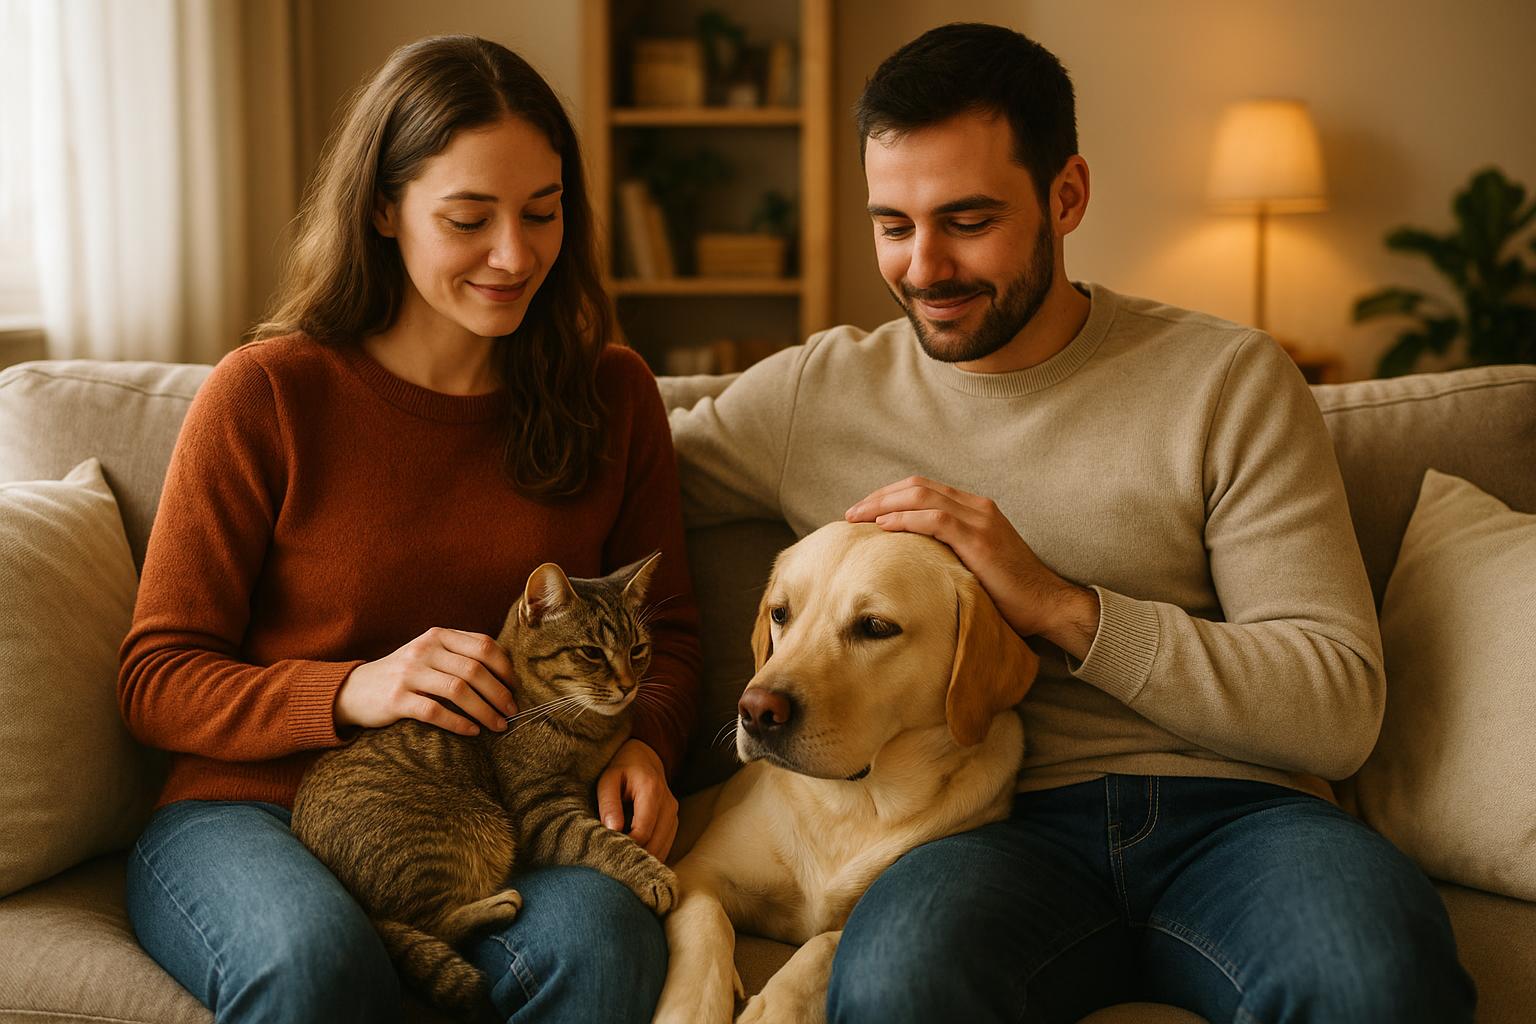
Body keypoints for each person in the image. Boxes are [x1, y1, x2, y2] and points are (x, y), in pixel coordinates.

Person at [668, 22, 1474, 1023]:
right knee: (897, 984)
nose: (924, 267)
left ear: (1068, 196)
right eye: (893, 225)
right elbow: (600, 473)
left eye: (967, 219)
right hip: (984, 832)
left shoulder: (1225, 380)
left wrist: (1058, 605)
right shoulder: (816, 394)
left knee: (1374, 980)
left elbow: (1339, 706)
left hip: (1245, 817)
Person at [118, 35, 699, 1024]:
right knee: (313, 963)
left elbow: (675, 633)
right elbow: (156, 677)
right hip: (247, 811)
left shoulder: (613, 394)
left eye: (543, 213)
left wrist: (640, 739)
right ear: (384, 209)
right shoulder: (266, 394)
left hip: (500, 812)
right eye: (469, 218)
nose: (515, 254)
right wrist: (353, 688)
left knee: (603, 944)